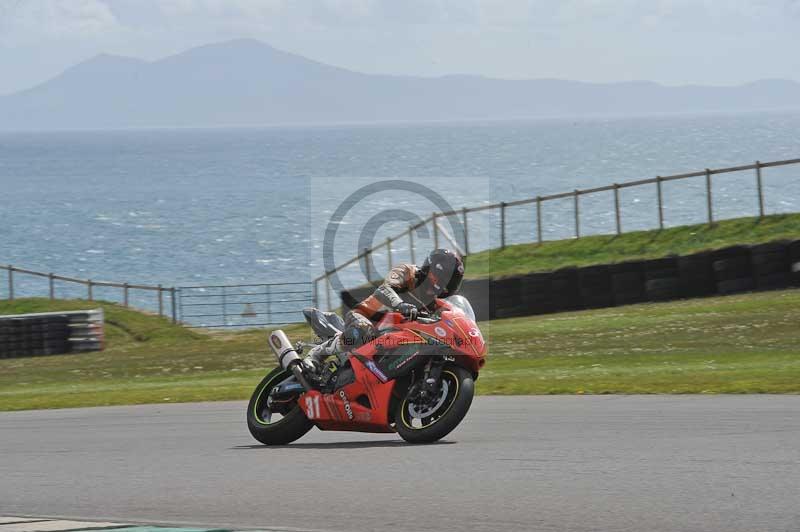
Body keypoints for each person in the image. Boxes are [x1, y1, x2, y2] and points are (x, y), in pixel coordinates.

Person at [303, 248, 465, 371]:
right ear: (431, 269)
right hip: (366, 317)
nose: (442, 284)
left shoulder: (434, 303)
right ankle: (317, 354)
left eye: (447, 282)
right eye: (441, 278)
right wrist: (400, 305)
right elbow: (385, 288)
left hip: (391, 337)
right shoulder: (407, 272)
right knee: (363, 330)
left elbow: (449, 317)